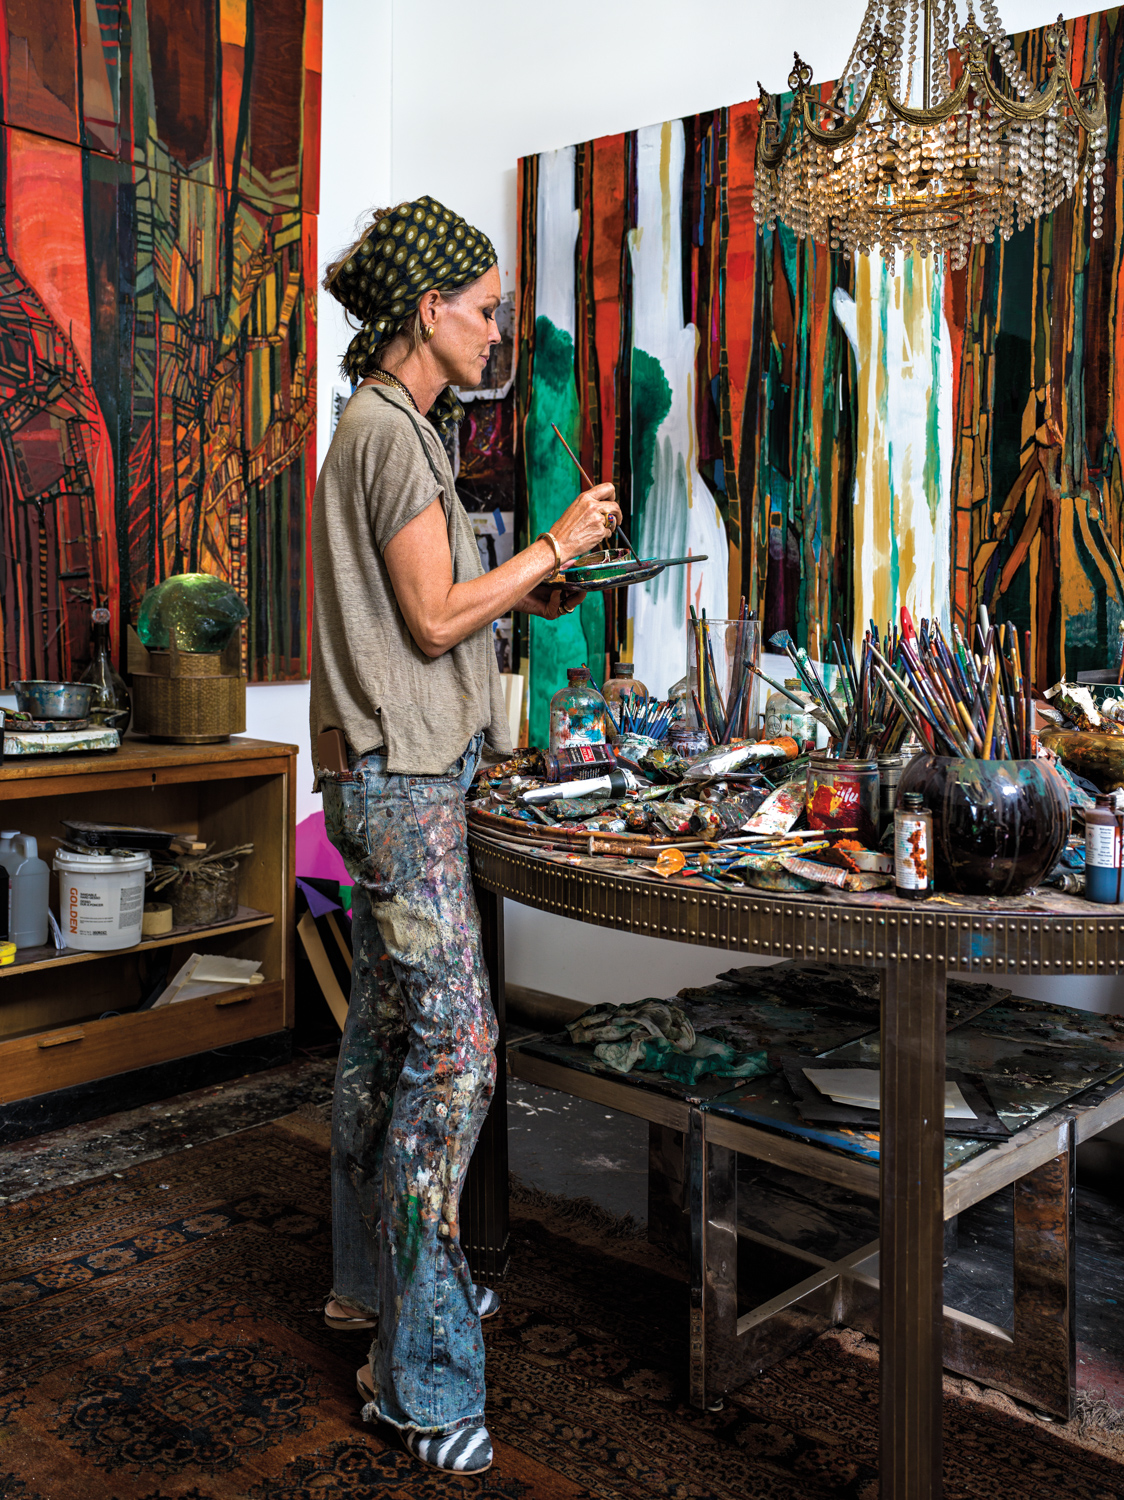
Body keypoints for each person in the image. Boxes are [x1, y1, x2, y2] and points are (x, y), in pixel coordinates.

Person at [309, 196, 621, 1477]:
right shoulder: (390, 432)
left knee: (387, 1037)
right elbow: (435, 621)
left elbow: (425, 612)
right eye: (485, 308)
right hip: (401, 782)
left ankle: (366, 1294)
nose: (498, 330)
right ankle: (419, 1379)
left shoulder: (389, 430)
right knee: (458, 1054)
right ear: (426, 311)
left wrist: (529, 583)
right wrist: (555, 541)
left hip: (382, 774)